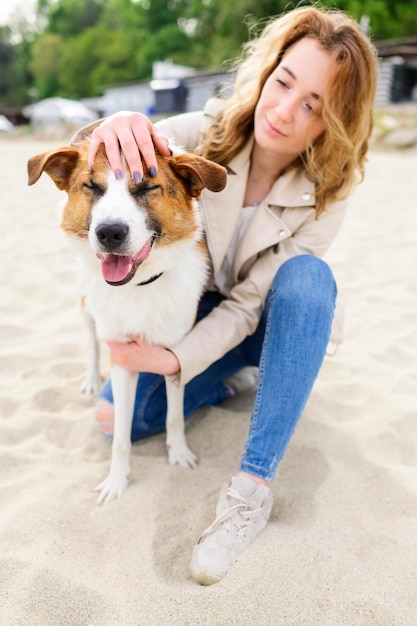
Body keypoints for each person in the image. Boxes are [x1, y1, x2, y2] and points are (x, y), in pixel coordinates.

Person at [73, 6, 377, 585]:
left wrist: (175, 361)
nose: (285, 111)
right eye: (285, 82)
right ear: (267, 73)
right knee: (116, 421)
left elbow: (246, 305)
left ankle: (252, 487)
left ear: (334, 121)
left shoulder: (326, 194)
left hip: (265, 320)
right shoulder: (203, 132)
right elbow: (108, 162)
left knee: (310, 280)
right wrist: (110, 126)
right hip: (197, 315)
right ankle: (233, 381)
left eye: (313, 103)